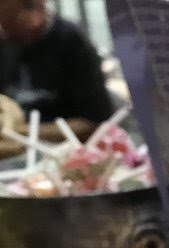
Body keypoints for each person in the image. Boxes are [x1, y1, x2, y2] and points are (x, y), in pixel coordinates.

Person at [0, 0, 113, 157]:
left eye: (11, 22)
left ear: (39, 7)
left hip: (66, 152)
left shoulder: (71, 42)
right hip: (14, 155)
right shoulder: (6, 42)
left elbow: (95, 123)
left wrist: (22, 132)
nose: (6, 32)